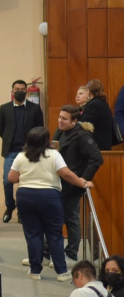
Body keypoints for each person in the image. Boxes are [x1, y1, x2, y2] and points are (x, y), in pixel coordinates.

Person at [10, 127, 93, 281]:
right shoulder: (53, 155)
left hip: (25, 196)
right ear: (46, 141)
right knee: (54, 234)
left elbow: (11, 178)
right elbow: (66, 174)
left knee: (33, 235)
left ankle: (35, 271)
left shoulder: (21, 156)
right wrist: (83, 183)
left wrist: (27, 177)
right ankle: (62, 272)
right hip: (49, 197)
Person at [54, 105, 104, 263]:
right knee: (54, 219)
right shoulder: (59, 132)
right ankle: (49, 252)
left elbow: (97, 158)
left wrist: (83, 179)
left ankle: (71, 254)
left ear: (74, 121)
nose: (60, 121)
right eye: (60, 117)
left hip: (73, 185)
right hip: (58, 183)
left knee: (71, 220)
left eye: (64, 119)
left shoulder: (82, 136)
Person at [0, 80, 45, 223]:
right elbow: (1, 130)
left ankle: (22, 211)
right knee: (7, 181)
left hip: (28, 151)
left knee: (25, 183)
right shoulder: (4, 108)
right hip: (10, 151)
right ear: (12, 91)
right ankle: (9, 206)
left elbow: (40, 129)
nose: (19, 91)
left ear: (26, 91)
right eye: (17, 89)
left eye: (22, 89)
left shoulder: (34, 108)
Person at [81, 80, 118, 150]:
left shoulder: (94, 105)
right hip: (103, 144)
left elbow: (83, 123)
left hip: (97, 146)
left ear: (88, 91)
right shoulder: (102, 103)